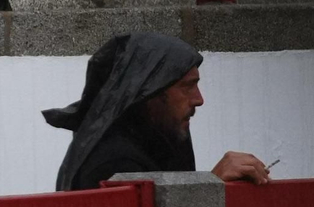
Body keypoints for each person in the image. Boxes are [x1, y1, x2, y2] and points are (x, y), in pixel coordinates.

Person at [44, 31, 272, 191]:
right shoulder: (112, 163)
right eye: (187, 86)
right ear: (151, 93)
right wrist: (210, 186)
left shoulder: (161, 140)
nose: (199, 99)